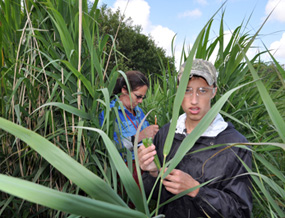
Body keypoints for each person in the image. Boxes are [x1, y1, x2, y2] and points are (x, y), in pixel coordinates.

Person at [138, 59, 252, 218]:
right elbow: (153, 195)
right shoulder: (167, 134)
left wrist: (196, 190)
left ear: (214, 91)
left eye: (203, 90)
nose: (194, 100)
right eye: (187, 90)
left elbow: (240, 212)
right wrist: (152, 173)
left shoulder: (235, 145)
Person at [99, 70, 159, 159]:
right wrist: (140, 136)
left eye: (143, 97)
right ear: (124, 90)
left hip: (146, 162)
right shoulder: (109, 112)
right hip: (127, 168)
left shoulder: (139, 111)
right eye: (138, 96)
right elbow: (111, 148)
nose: (140, 101)